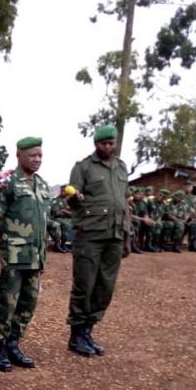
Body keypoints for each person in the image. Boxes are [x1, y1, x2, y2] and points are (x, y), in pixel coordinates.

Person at [65, 124, 129, 357]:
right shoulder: (83, 167)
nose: (108, 147)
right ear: (96, 144)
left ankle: (88, 331)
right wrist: (74, 198)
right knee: (85, 285)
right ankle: (76, 335)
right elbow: (71, 201)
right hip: (89, 236)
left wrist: (127, 236)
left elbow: (124, 203)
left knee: (105, 288)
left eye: (111, 143)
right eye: (104, 143)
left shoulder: (121, 167)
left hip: (114, 236)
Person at [0, 137, 50, 372]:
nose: (37, 160)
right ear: (19, 155)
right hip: (11, 257)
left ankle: (14, 344)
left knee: (27, 304)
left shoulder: (42, 185)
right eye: (32, 155)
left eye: (40, 156)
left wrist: (43, 256)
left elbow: (42, 222)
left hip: (34, 257)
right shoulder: (8, 183)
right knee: (5, 304)